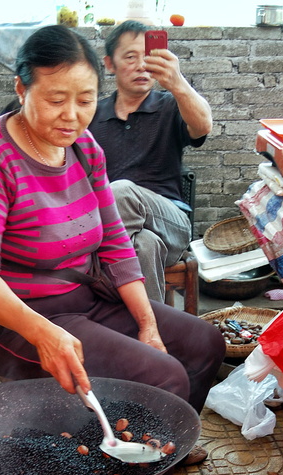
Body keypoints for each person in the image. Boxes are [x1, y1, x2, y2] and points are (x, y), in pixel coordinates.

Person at [0, 25, 225, 475]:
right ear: (20, 88)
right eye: (55, 100)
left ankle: (153, 454)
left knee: (204, 342)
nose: (71, 116)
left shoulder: (84, 148)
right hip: (13, 317)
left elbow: (117, 243)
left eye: (85, 99)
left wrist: (147, 322)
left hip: (82, 297)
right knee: (161, 375)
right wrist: (44, 334)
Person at [89, 20, 212, 303]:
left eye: (149, 56)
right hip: (129, 233)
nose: (141, 65)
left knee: (119, 191)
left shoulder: (171, 104)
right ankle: (152, 335)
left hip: (171, 223)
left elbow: (203, 126)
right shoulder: (93, 115)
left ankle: (99, 302)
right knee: (144, 245)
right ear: (110, 63)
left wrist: (177, 83)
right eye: (131, 57)